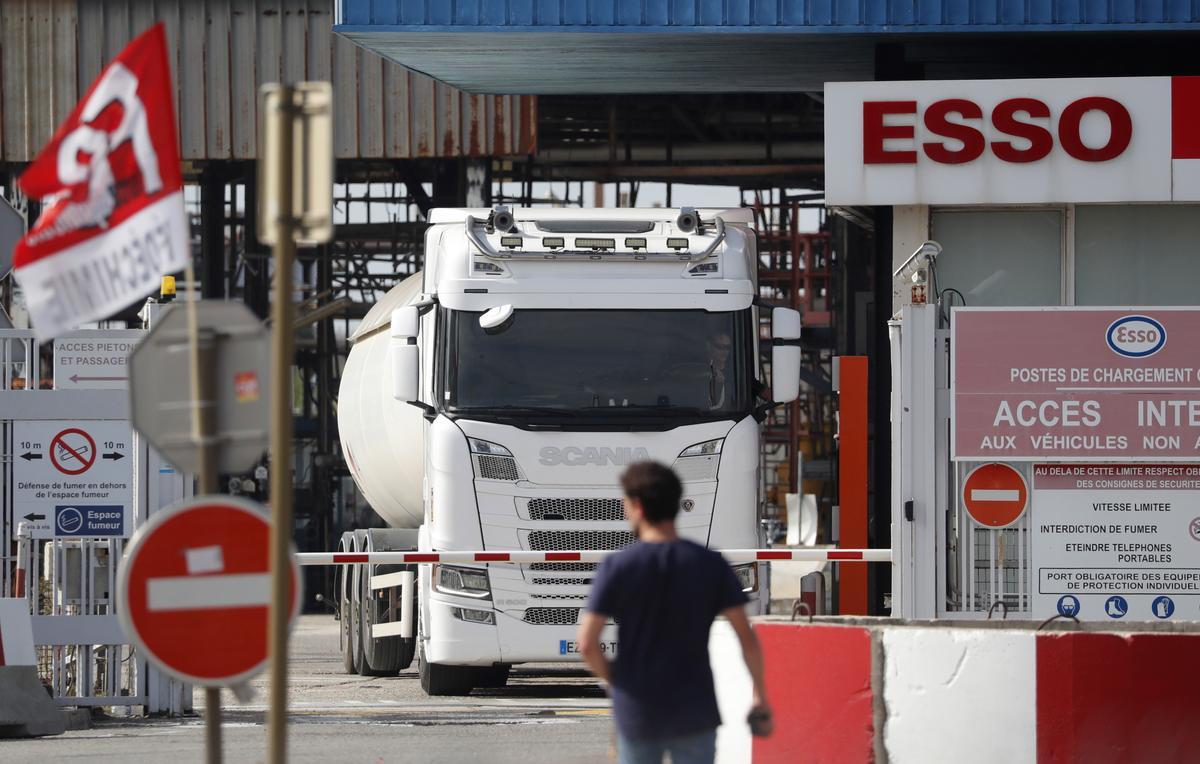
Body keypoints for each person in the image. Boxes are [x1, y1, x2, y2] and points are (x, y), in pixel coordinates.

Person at [577, 461, 772, 764]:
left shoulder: (617, 566)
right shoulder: (710, 564)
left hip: (638, 711)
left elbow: (587, 644)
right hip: (695, 709)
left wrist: (617, 685)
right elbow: (745, 636)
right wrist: (759, 694)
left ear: (638, 506)